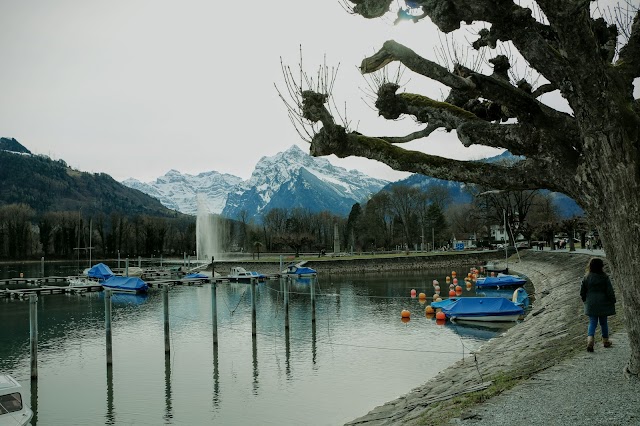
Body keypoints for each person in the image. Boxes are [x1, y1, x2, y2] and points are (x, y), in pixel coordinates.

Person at [580, 257, 616, 352]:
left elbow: (582, 291)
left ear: (590, 266)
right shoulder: (604, 277)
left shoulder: (586, 277)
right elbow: (610, 291)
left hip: (591, 303)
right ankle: (605, 341)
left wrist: (585, 300)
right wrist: (613, 300)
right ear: (601, 266)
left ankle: (590, 340)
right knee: (604, 323)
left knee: (592, 323)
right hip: (603, 303)